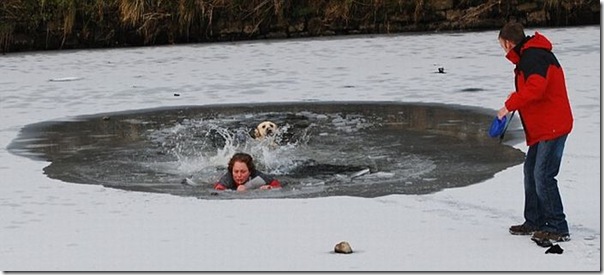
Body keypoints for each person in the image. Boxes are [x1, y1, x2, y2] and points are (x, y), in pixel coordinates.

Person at [496, 22, 573, 243]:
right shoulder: (529, 57)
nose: (503, 49)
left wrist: (509, 105)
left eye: (502, 45)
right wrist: (518, 96)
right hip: (544, 126)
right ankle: (535, 220)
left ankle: (557, 226)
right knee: (531, 171)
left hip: (553, 125)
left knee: (543, 174)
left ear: (508, 43)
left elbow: (536, 89)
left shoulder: (534, 57)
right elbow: (533, 87)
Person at [213, 152, 282, 191]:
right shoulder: (227, 179)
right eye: (236, 171)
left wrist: (270, 188)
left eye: (243, 172)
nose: (239, 175)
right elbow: (218, 190)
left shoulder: (258, 176)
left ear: (250, 171)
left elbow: (277, 185)